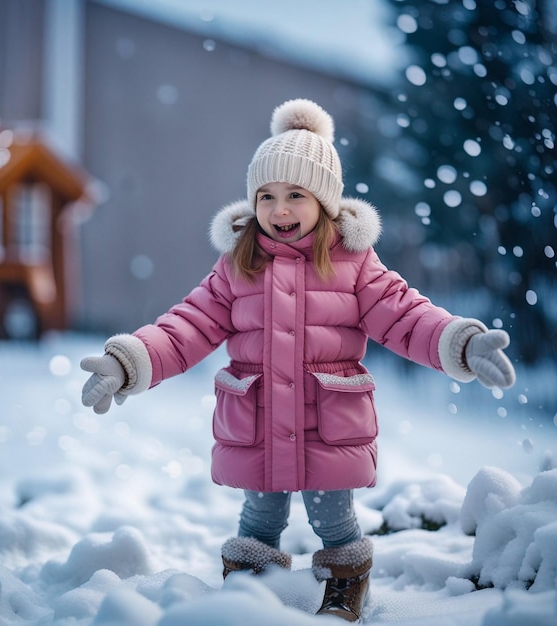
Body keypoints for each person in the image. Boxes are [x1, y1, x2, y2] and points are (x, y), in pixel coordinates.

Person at [81, 99, 515, 622]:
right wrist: (128, 362)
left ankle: (346, 584)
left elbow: (406, 316)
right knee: (259, 516)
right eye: (266, 196)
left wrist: (460, 343)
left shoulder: (354, 264)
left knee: (333, 517)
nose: (278, 209)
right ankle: (248, 593)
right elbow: (186, 327)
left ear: (325, 201)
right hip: (259, 423)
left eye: (295, 195)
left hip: (328, 424)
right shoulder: (238, 264)